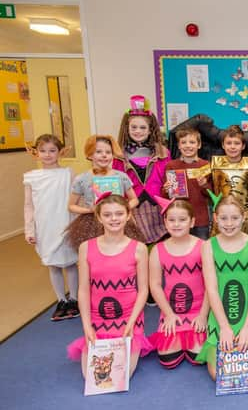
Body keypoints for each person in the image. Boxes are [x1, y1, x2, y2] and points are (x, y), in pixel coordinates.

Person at [67, 193, 153, 377]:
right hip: (98, 319)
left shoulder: (139, 248)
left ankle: (133, 334)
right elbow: (83, 290)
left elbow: (143, 289)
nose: (114, 219)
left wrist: (132, 322)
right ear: (98, 217)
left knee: (120, 375)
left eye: (119, 213)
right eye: (107, 215)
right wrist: (87, 326)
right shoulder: (86, 247)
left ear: (128, 215)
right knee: (91, 377)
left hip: (129, 318)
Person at [196, 194, 248, 380]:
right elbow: (211, 289)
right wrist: (224, 327)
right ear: (215, 217)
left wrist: (247, 327)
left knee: (242, 369)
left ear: (244, 217)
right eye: (224, 218)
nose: (229, 223)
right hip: (220, 315)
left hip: (247, 315)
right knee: (217, 374)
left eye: (234, 218)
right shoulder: (208, 246)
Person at [148, 198, 209, 368]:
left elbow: (211, 285)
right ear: (165, 222)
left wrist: (203, 316)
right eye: (171, 220)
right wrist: (168, 314)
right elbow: (155, 285)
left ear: (192, 222)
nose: (176, 224)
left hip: (198, 311)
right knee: (168, 361)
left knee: (199, 358)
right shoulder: (157, 250)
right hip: (173, 312)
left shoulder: (204, 247)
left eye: (182, 220)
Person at [24, 134, 79, 321]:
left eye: (52, 150)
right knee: (53, 264)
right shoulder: (31, 177)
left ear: (60, 152)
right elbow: (29, 205)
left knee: (71, 262)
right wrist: (29, 229)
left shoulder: (67, 173)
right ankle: (61, 299)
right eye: (43, 151)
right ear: (36, 153)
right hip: (45, 226)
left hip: (66, 223)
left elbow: (76, 197)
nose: (47, 155)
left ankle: (74, 298)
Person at [114, 95, 170, 244]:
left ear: (151, 130)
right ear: (127, 128)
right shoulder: (118, 155)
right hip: (133, 207)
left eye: (143, 127)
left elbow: (169, 177)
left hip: (158, 206)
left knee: (159, 246)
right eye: (134, 127)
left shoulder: (162, 152)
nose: (138, 131)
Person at [67, 135, 139, 249]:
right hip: (92, 224)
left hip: (119, 222)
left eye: (108, 152)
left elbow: (135, 200)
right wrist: (89, 210)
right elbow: (71, 206)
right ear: (90, 154)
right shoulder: (82, 179)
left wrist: (123, 208)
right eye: (98, 152)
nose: (104, 155)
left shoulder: (121, 176)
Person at [161, 127, 212, 240]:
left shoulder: (206, 165)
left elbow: (212, 195)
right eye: (183, 142)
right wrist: (166, 189)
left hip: (200, 218)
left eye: (192, 142)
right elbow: (166, 197)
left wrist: (204, 185)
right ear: (179, 146)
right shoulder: (171, 166)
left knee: (201, 249)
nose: (188, 145)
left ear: (199, 145)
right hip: (179, 219)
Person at [211, 125, 248, 234]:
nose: (232, 147)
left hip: (244, 216)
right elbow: (211, 189)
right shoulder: (215, 164)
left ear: (243, 146)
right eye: (229, 143)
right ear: (223, 145)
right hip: (222, 215)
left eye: (237, 143)